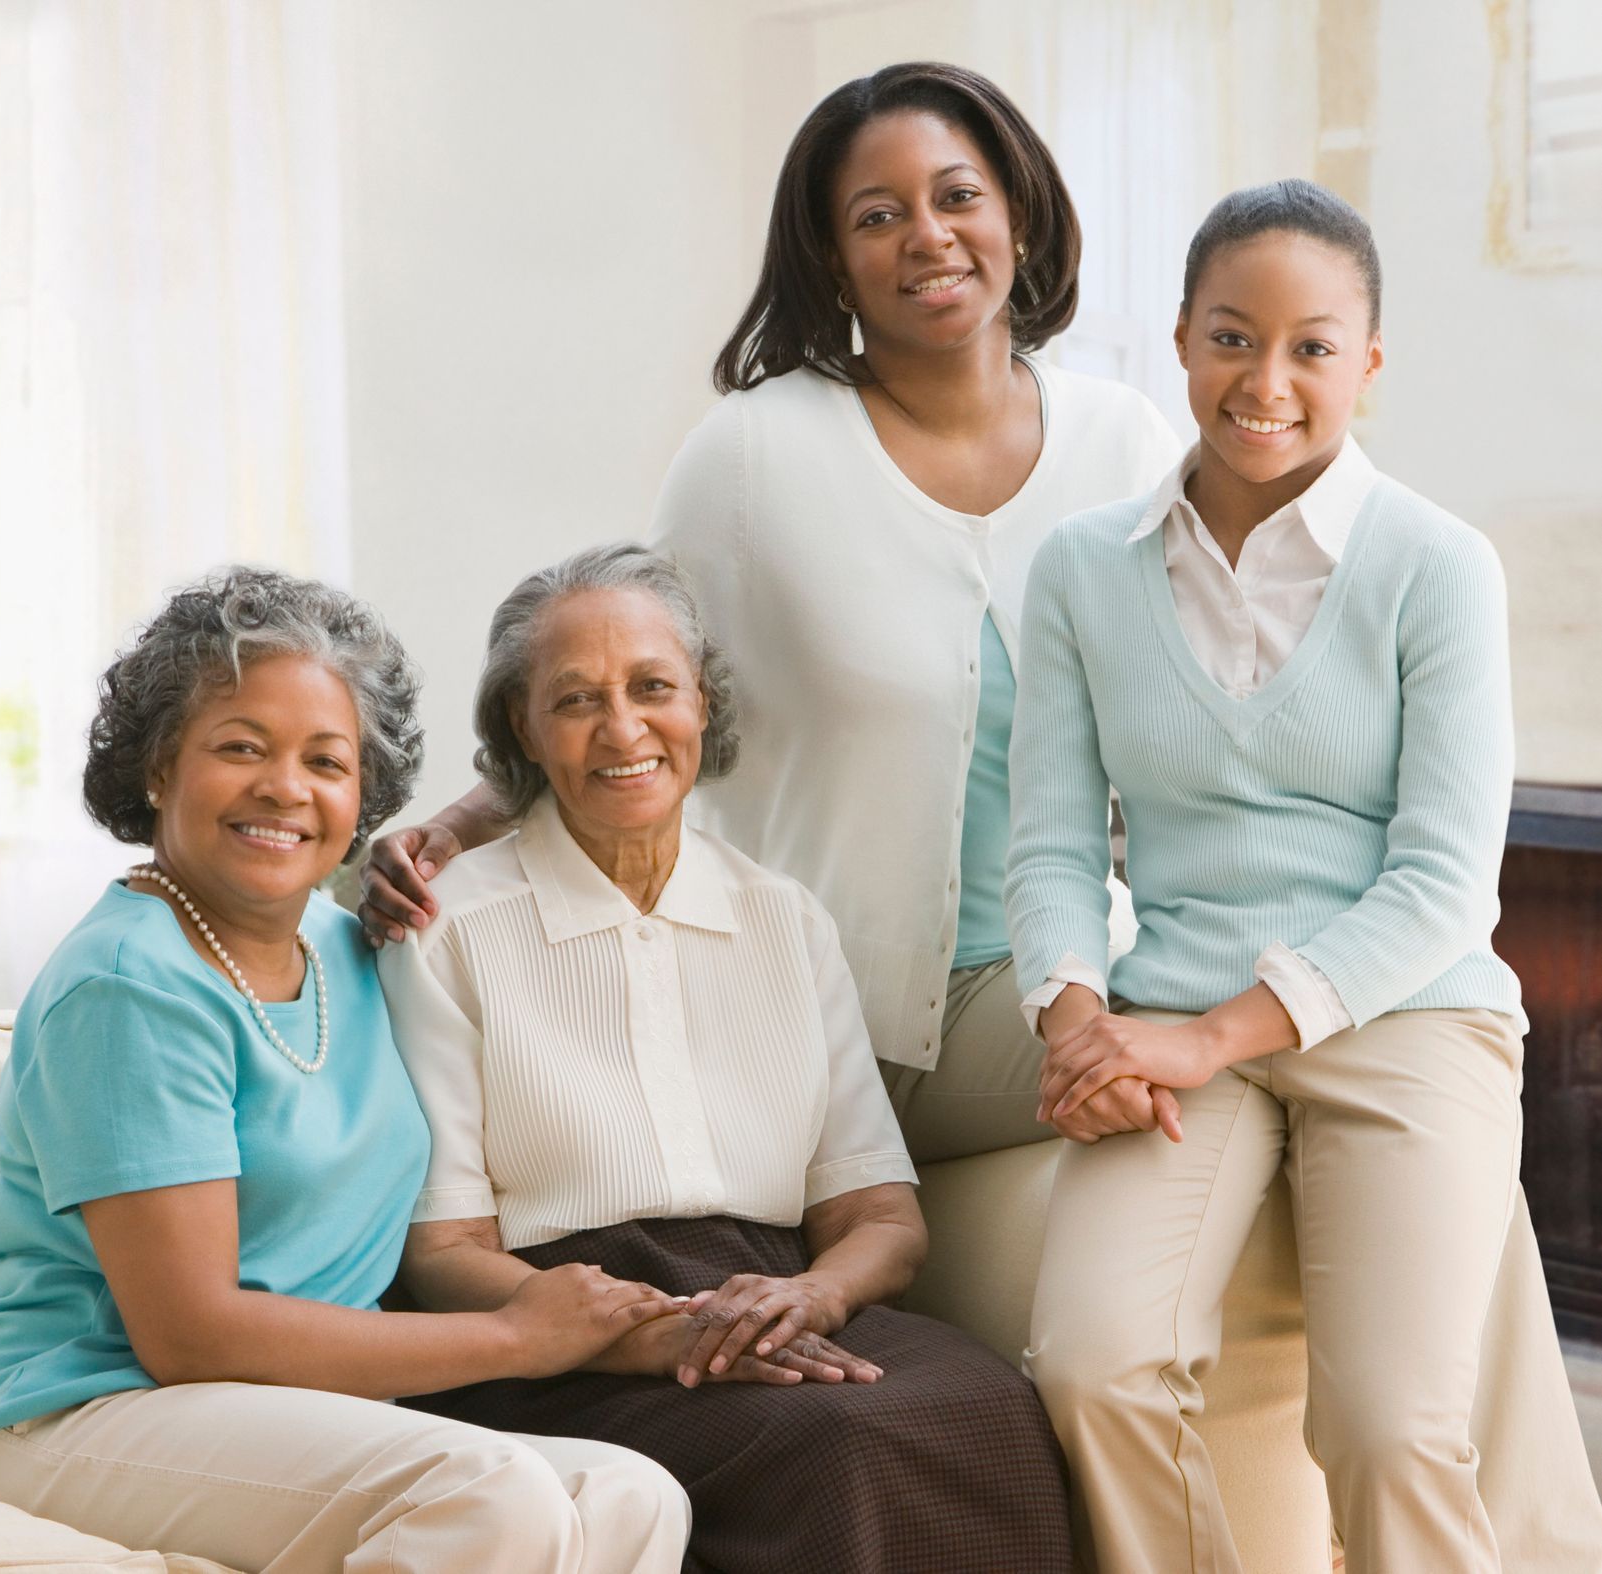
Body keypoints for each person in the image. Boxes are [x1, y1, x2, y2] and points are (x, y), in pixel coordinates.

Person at [359, 62, 1182, 1163]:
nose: (929, 236)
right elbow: (627, 683)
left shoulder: (1124, 442)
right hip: (839, 1010)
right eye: (878, 217)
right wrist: (457, 826)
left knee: (1323, 1029)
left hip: (1064, 977)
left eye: (957, 196)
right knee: (1234, 1059)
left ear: (1019, 215)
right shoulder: (757, 456)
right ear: (833, 263)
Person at [1007, 181, 1602, 1572]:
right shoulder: (1081, 572)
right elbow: (1042, 842)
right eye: (1230, 336)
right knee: (1091, 1363)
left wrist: (1216, 1031)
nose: (1263, 381)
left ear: (1368, 365)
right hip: (1168, 1024)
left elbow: (1448, 885)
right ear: (1178, 339)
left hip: (1406, 1019)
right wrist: (1074, 1019)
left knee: (1391, 1426)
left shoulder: (1437, 566)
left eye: (1311, 347)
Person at [0, 568, 691, 1574]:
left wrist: (451, 827)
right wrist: (517, 1333)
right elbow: (191, 1333)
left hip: (290, 1418)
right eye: (241, 746)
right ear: (159, 766)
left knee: (630, 1493)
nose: (287, 787)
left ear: (363, 795)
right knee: (490, 1493)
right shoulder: (130, 982)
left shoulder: (356, 943)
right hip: (84, 1413)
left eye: (327, 760)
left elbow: (557, 771)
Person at [378, 544, 1074, 1574]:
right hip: (560, 1334)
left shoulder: (783, 916)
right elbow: (441, 1257)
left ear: (703, 702)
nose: (624, 728)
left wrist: (815, 1297)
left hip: (780, 1296)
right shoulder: (445, 931)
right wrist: (640, 1329)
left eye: (653, 687)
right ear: (521, 729)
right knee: (836, 1442)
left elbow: (881, 1218)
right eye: (575, 699)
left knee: (993, 1409)